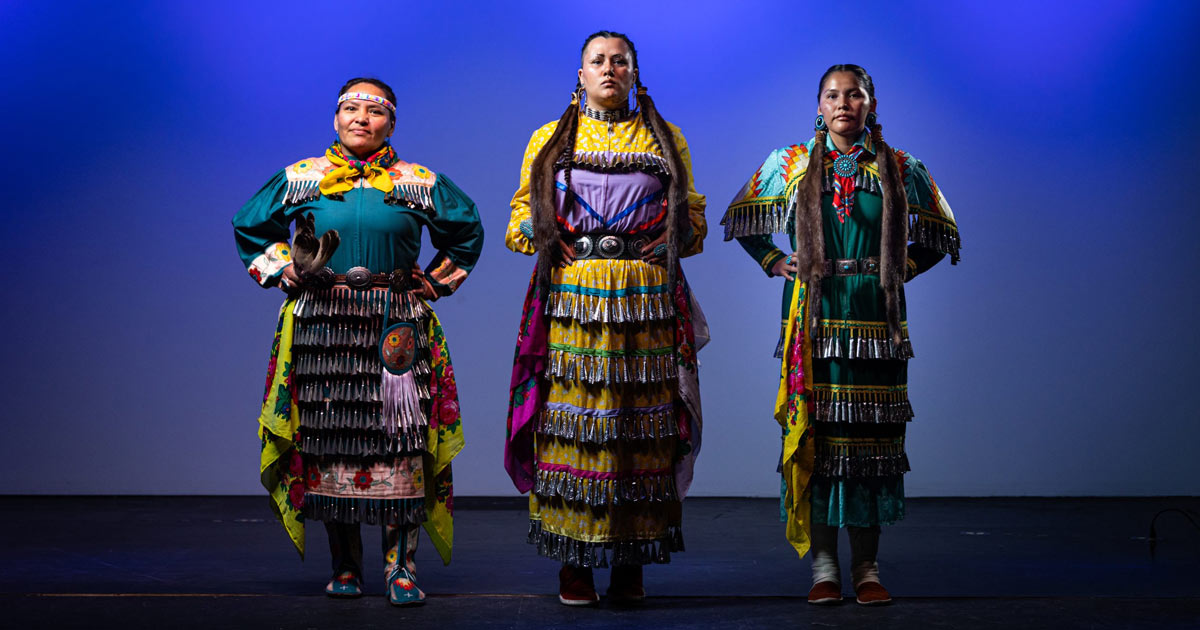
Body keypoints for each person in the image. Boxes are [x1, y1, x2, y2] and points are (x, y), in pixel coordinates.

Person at [232, 77, 483, 606]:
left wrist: (434, 283)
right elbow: (250, 228)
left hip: (395, 325)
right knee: (330, 441)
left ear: (392, 122)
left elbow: (466, 233)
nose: (360, 119)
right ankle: (345, 565)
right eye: (350, 108)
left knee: (401, 441)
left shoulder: (419, 181)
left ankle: (401, 568)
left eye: (374, 111)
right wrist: (283, 270)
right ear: (335, 118)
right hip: (324, 330)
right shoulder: (303, 177)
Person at [722, 64, 960, 606]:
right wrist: (773, 259)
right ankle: (823, 569)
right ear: (819, 104)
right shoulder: (790, 163)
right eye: (833, 95)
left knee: (872, 445)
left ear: (871, 103)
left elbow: (942, 232)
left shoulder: (901, 167)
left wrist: (902, 269)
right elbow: (742, 219)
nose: (843, 104)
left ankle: (868, 570)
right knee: (819, 441)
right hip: (814, 317)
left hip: (877, 321)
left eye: (855, 95)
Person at [503, 30, 708, 606]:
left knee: (638, 426)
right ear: (581, 74)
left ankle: (629, 562)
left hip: (644, 297)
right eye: (598, 61)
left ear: (635, 73)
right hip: (574, 296)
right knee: (574, 421)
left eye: (620, 61)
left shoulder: (666, 139)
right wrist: (546, 238)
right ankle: (575, 563)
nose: (610, 69)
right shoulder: (550, 139)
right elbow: (520, 212)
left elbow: (691, 218)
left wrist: (669, 239)